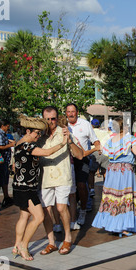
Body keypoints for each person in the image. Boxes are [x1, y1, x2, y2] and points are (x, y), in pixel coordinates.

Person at [12, 116, 70, 261]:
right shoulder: (27, 146)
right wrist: (63, 143)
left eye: (39, 133)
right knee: (39, 217)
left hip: (19, 186)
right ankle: (23, 246)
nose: (38, 136)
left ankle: (16, 245)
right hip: (27, 189)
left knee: (24, 216)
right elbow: (47, 152)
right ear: (27, 131)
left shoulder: (18, 144)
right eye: (36, 133)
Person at [92, 117, 136, 236]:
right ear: (125, 127)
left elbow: (104, 152)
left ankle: (112, 225)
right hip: (124, 171)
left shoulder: (111, 140)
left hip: (112, 170)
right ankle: (122, 227)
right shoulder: (130, 139)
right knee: (123, 197)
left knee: (112, 197)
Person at [39, 106, 84, 256]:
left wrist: (69, 141)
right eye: (48, 119)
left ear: (57, 118)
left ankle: (67, 238)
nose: (51, 122)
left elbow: (80, 155)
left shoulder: (65, 132)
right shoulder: (40, 136)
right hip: (45, 178)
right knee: (46, 210)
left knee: (61, 207)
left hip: (63, 176)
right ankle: (51, 242)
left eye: (53, 119)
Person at [66, 103, 100, 226]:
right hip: (67, 160)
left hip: (83, 159)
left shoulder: (85, 124)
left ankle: (83, 210)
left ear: (77, 112)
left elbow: (95, 139)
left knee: (81, 185)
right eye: (68, 111)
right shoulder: (63, 125)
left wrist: (98, 147)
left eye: (73, 111)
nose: (70, 114)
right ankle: (70, 214)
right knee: (70, 189)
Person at [0, 119, 15, 209]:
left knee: (5, 179)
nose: (7, 129)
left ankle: (6, 197)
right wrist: (10, 145)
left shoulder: (1, 133)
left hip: (4, 160)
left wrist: (8, 142)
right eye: (7, 127)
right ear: (3, 126)